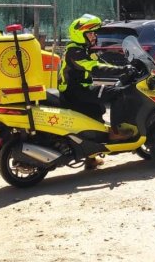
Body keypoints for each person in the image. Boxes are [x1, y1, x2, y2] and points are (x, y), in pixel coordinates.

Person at [58, 14, 136, 168]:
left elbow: (101, 62)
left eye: (94, 33)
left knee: (96, 111)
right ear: (81, 34)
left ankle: (91, 157)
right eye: (91, 33)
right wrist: (122, 70)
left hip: (78, 90)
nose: (94, 36)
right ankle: (116, 132)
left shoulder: (83, 49)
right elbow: (95, 67)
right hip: (76, 91)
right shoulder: (75, 51)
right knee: (117, 93)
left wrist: (125, 65)